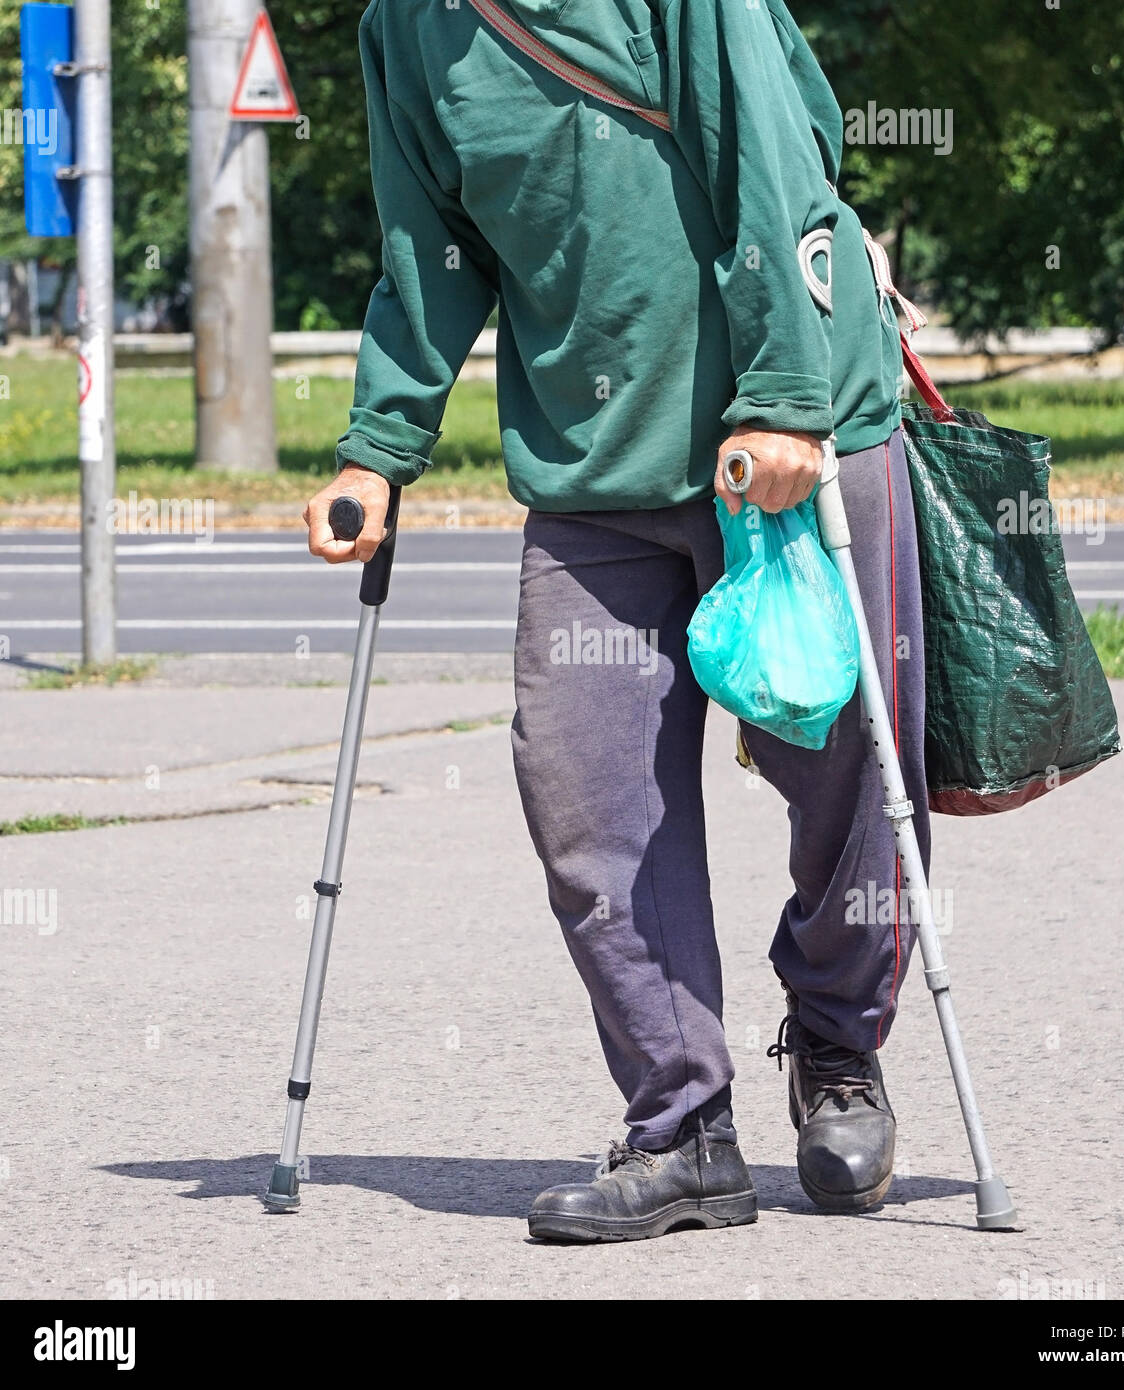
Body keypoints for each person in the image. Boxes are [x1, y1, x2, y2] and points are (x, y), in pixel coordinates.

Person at [304, 0, 928, 1243]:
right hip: (594, 466)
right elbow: (431, 253)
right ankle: (683, 1126)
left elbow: (770, 155)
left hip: (792, 431)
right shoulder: (403, 28)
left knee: (850, 774)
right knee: (585, 795)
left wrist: (785, 397)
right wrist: (379, 447)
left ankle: (837, 1038)